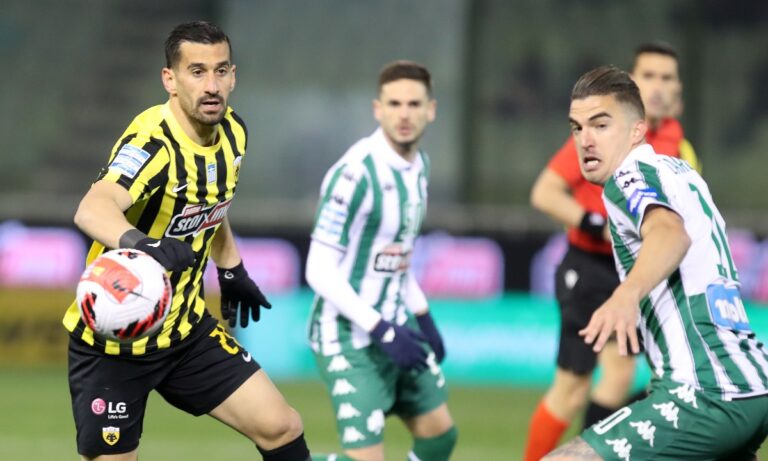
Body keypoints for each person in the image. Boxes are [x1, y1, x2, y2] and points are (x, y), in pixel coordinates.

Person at [62, 21, 310, 461]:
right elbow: (92, 207)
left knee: (282, 426)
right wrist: (143, 243)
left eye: (220, 70)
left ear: (233, 76)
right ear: (170, 80)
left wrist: (231, 268)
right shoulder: (152, 144)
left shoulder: (234, 132)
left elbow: (212, 203)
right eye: (197, 72)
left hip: (185, 330)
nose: (211, 85)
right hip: (115, 340)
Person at [544, 65, 768, 460]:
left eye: (600, 125)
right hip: (753, 383)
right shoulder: (681, 172)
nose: (585, 140)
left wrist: (626, 294)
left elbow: (670, 234)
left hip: (704, 393)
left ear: (637, 130)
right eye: (577, 128)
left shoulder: (627, 178)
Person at [525, 42, 700, 461]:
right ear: (632, 84)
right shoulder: (602, 133)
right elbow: (544, 192)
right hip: (589, 266)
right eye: (648, 76)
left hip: (635, 271)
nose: (657, 87)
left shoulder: (676, 143)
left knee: (620, 379)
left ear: (678, 89)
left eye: (667, 78)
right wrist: (596, 225)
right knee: (571, 388)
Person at [305, 61, 457, 461]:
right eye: (394, 104)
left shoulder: (420, 167)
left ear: (431, 110)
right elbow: (317, 270)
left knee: (440, 437)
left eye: (413, 104)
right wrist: (381, 330)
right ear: (378, 109)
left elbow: (397, 256)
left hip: (397, 324)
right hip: (348, 335)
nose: (404, 114)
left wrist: (423, 317)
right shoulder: (354, 174)